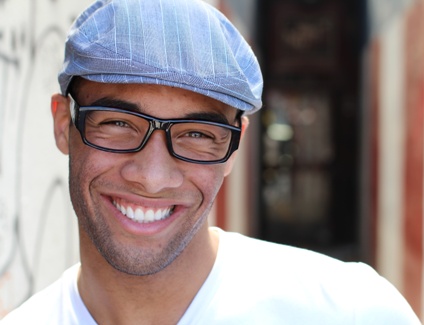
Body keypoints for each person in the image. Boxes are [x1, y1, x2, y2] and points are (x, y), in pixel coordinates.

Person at [1, 0, 421, 324]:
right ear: (62, 124)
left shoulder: (350, 312)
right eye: (117, 123)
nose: (152, 177)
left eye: (197, 134)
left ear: (235, 148)